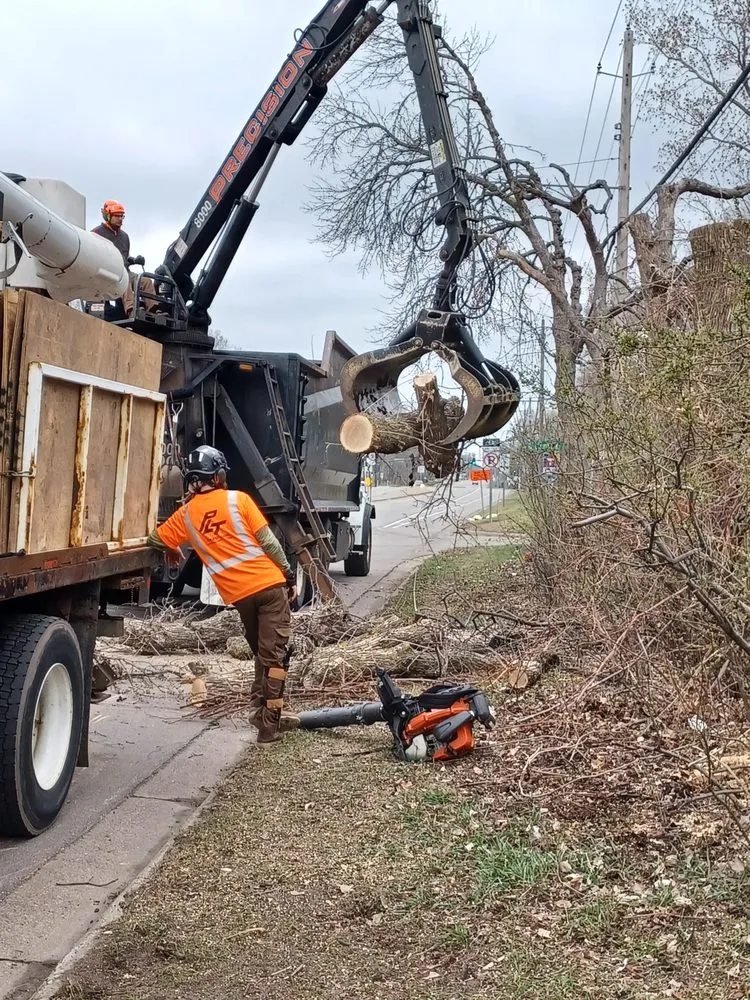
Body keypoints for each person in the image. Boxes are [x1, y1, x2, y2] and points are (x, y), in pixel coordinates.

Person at [147, 445, 300, 744]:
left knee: (263, 655)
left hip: (241, 597)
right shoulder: (238, 500)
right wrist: (289, 574)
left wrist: (173, 548)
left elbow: (155, 538)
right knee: (275, 660)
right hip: (270, 588)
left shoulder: (186, 516)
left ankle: (259, 708)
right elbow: (269, 544)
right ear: (217, 476)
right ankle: (268, 727)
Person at [90, 200, 154, 318]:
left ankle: (154, 310)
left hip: (125, 271)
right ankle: (131, 311)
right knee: (125, 281)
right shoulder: (96, 233)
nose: (120, 219)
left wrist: (134, 260)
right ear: (107, 215)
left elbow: (125, 257)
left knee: (146, 281)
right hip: (107, 273)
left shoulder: (124, 236)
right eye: (117, 216)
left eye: (121, 216)